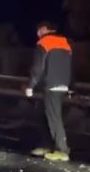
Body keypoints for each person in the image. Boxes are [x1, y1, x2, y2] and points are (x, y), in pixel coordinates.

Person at [25, 21, 72, 162]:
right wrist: (71, 86)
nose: (37, 34)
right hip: (63, 84)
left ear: (44, 29)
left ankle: (62, 150)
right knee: (43, 114)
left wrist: (30, 86)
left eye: (39, 30)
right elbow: (70, 66)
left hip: (50, 86)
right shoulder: (65, 43)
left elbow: (38, 67)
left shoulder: (44, 43)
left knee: (53, 118)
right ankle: (46, 144)